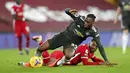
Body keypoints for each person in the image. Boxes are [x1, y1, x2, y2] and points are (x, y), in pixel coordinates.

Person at [33, 8, 112, 65]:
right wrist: (69, 10)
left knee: (69, 55)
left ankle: (64, 61)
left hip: (72, 43)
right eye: (86, 21)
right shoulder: (80, 18)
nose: (86, 23)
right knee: (41, 49)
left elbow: (100, 46)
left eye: (89, 22)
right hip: (63, 36)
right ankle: (35, 59)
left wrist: (106, 60)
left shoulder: (93, 31)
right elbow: (66, 11)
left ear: (93, 23)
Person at [18, 39, 108, 67]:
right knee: (47, 64)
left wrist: (106, 61)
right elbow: (85, 63)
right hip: (61, 56)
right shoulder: (85, 49)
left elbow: (94, 58)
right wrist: (99, 63)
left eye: (95, 46)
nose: (93, 46)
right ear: (90, 43)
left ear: (96, 48)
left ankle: (25, 64)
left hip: (64, 57)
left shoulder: (90, 51)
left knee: (45, 64)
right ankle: (40, 42)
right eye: (92, 44)